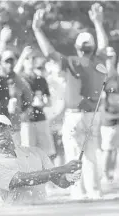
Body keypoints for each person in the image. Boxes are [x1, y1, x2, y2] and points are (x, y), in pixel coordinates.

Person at [32, 3, 109, 199]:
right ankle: (94, 191)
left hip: (74, 117)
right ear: (92, 47)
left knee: (74, 155)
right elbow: (104, 45)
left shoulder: (72, 61)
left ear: (77, 47)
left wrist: (37, 29)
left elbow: (49, 52)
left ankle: (78, 191)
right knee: (91, 154)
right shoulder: (98, 60)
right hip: (93, 115)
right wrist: (98, 23)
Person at [0, 114, 82, 204]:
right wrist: (63, 168)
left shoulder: (35, 152)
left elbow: (60, 181)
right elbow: (26, 179)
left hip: (44, 211)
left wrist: (69, 177)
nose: (0, 133)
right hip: (16, 213)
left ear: (11, 130)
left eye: (3, 128)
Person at [14, 46, 56, 160]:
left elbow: (49, 102)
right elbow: (12, 74)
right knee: (28, 153)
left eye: (33, 58)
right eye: (28, 58)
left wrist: (43, 102)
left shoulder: (41, 79)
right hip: (26, 120)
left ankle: (48, 175)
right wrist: (22, 55)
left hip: (41, 118)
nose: (31, 61)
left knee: (47, 152)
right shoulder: (20, 78)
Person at [0, 49, 33, 147]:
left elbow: (29, 97)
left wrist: (24, 110)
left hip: (14, 124)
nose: (9, 64)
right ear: (1, 63)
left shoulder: (18, 79)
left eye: (11, 61)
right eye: (6, 62)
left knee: (16, 154)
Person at [100, 47, 119, 182]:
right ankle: (105, 175)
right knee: (108, 148)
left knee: (115, 148)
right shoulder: (102, 75)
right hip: (108, 117)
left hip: (117, 116)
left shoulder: (116, 76)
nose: (110, 59)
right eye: (108, 57)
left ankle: (113, 174)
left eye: (112, 56)